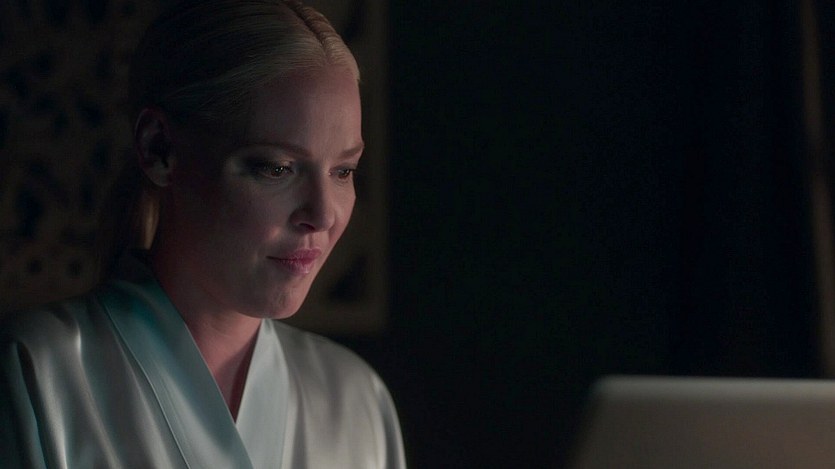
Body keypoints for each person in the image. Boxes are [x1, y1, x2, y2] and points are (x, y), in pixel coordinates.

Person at [0, 1, 406, 467]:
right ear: (159, 148)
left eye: (343, 171)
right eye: (277, 168)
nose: (322, 214)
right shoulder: (39, 373)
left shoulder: (356, 400)